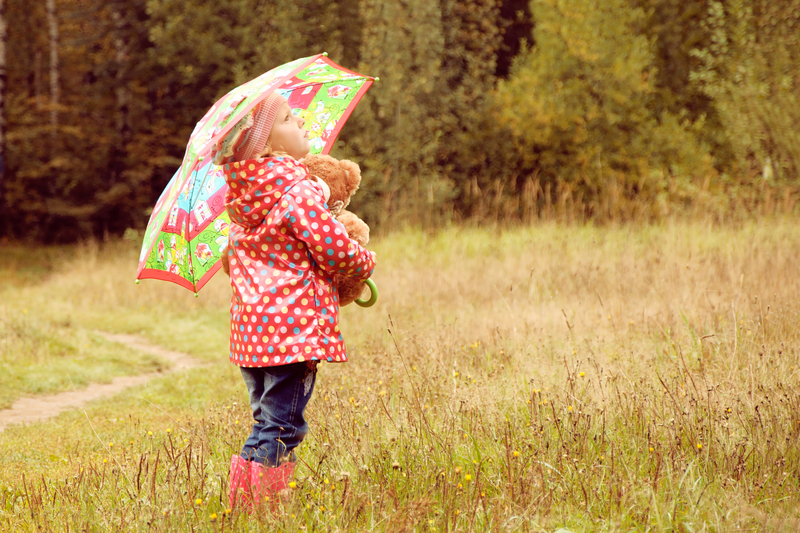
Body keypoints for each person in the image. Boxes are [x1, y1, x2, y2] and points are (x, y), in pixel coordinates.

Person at [211, 92, 376, 510]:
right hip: (293, 334)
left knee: (266, 422)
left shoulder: (241, 202)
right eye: (287, 118)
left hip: (253, 340)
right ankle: (260, 507)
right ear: (265, 145)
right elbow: (334, 249)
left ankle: (244, 502)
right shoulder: (295, 192)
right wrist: (364, 262)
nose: (299, 120)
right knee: (283, 427)